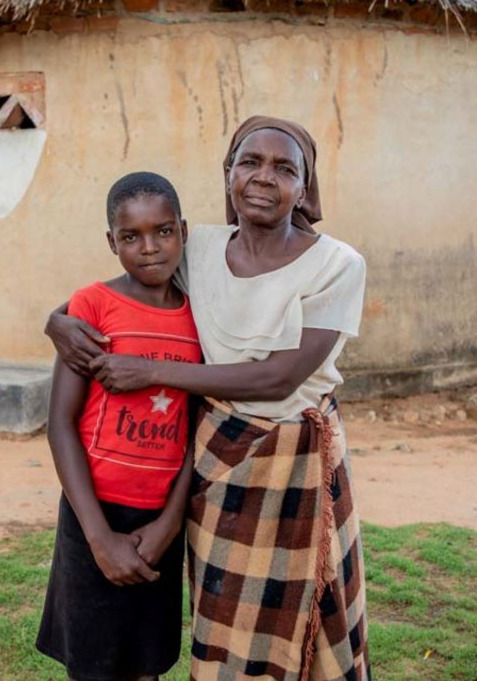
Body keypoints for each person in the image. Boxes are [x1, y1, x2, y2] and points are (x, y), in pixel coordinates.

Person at [47, 117, 370, 680]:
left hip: (297, 464)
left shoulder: (338, 264)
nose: (264, 177)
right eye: (249, 162)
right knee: (224, 614)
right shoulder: (201, 249)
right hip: (216, 463)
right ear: (228, 175)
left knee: (310, 612)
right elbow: (119, 291)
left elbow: (278, 379)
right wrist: (55, 322)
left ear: (305, 186)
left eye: (284, 167)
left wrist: (152, 374)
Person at [35, 172, 201, 681]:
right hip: (92, 513)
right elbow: (60, 423)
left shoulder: (203, 317)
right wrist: (98, 538)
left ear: (184, 231)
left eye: (164, 232)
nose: (149, 248)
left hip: (159, 520)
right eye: (131, 237)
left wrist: (170, 523)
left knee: (145, 664)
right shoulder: (92, 306)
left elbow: (197, 428)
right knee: (94, 666)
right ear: (112, 242)